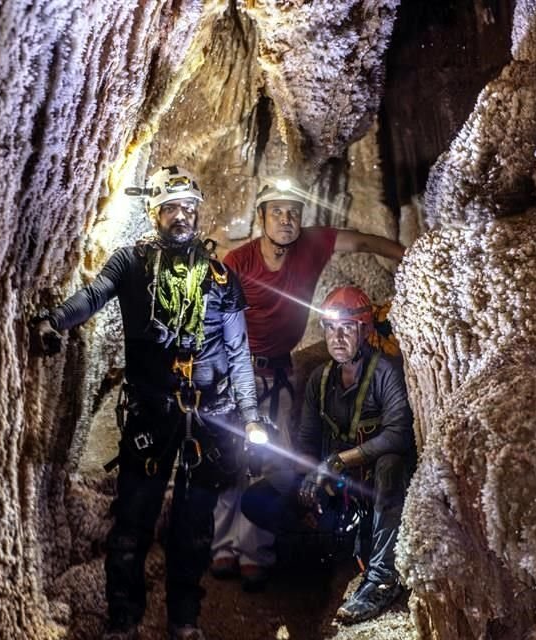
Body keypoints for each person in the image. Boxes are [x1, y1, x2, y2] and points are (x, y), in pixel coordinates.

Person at [32, 165, 266, 640]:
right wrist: (56, 321)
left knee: (194, 523)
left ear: (198, 213)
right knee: (133, 518)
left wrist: (253, 418)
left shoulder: (222, 280)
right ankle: (124, 621)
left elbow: (239, 354)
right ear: (153, 212)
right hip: (150, 413)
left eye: (189, 208)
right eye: (172, 208)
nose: (182, 216)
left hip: (210, 417)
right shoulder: (130, 264)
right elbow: (93, 296)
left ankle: (184, 620)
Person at [211, 176, 406, 590]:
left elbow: (366, 242)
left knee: (268, 460)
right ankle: (222, 548)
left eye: (294, 212)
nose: (287, 219)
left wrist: (413, 258)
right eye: (277, 211)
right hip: (237, 370)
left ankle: (253, 553)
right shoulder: (238, 262)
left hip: (278, 371)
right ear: (261, 217)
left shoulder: (312, 245)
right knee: (230, 457)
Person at [241, 285, 415, 624]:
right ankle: (317, 555)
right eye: (331, 328)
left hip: (372, 488)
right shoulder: (321, 380)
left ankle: (381, 577)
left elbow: (398, 435)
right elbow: (307, 441)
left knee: (390, 465)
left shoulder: (386, 373)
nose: (337, 337)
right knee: (257, 498)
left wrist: (336, 462)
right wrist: (309, 479)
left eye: (347, 328)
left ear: (364, 331)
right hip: (335, 488)